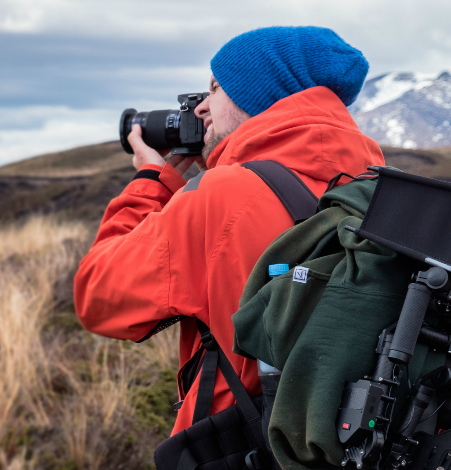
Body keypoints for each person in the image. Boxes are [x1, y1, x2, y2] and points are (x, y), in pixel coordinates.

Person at [72, 26, 385, 437]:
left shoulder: (223, 196)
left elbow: (98, 295)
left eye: (217, 89)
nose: (201, 109)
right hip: (351, 441)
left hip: (245, 446)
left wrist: (152, 181)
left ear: (260, 96)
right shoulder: (377, 188)